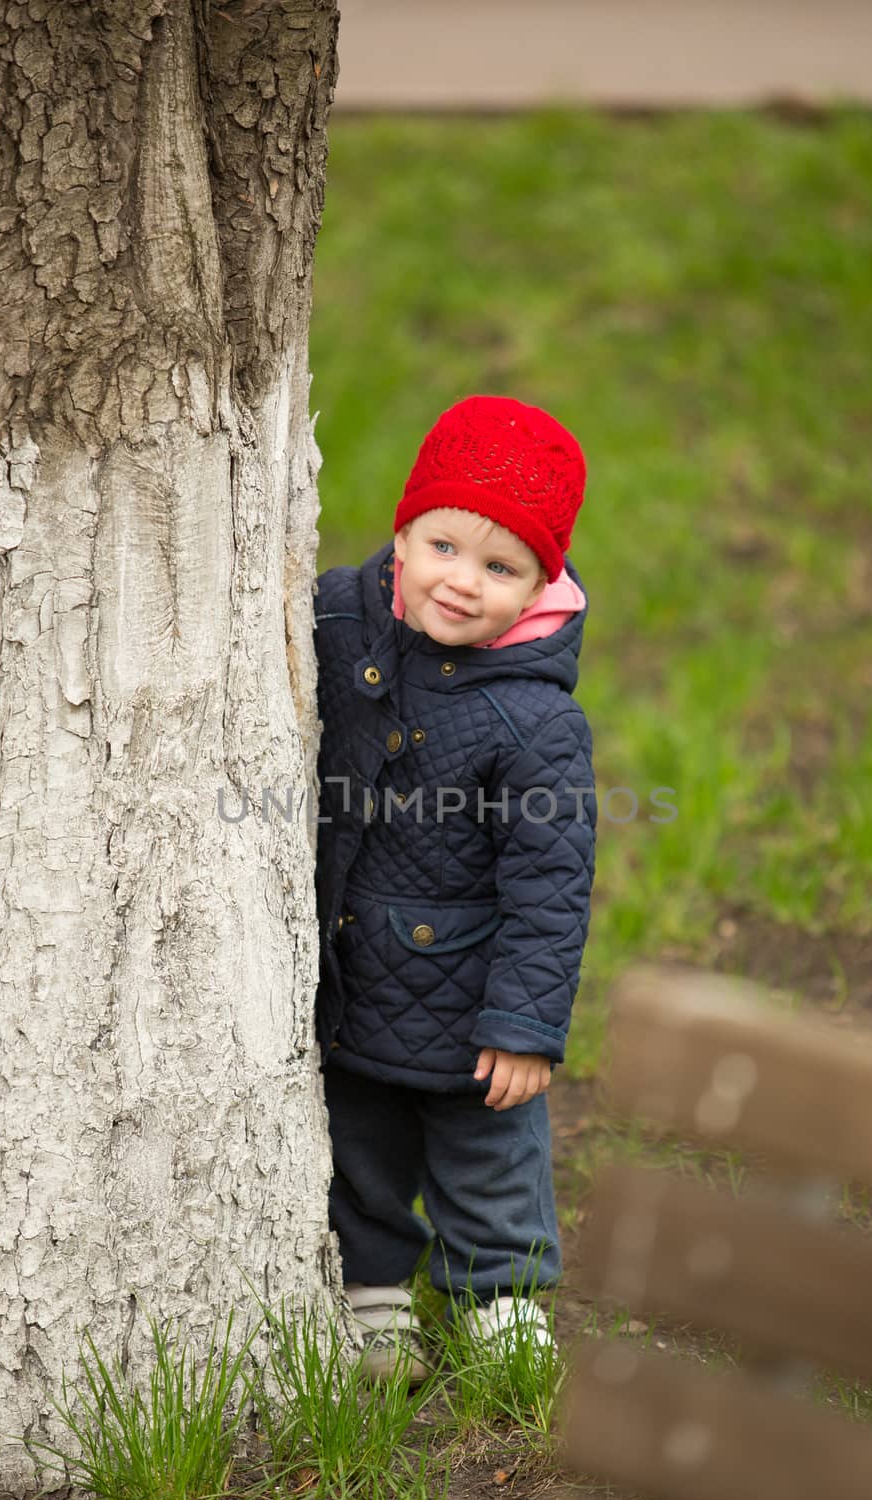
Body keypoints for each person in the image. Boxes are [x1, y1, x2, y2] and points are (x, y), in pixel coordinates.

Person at [312, 394, 597, 1383]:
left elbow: (550, 883)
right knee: (361, 1141)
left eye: (499, 567)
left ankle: (501, 1295)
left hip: (470, 997)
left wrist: (522, 1020)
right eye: (441, 545)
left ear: (539, 585)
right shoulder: (344, 621)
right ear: (402, 530)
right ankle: (375, 1293)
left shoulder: (535, 722)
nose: (460, 582)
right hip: (352, 973)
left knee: (489, 1152)